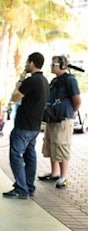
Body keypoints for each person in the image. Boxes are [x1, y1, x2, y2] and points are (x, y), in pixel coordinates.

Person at [2, 52, 49, 199]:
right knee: (30, 156)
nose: (25, 65)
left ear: (32, 63)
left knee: (16, 155)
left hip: (23, 125)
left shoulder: (30, 81)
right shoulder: (45, 81)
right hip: (34, 125)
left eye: (27, 62)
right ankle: (28, 186)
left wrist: (19, 82)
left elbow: (14, 97)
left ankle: (21, 188)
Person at [39, 55, 81, 188]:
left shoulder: (70, 81)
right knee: (52, 146)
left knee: (61, 146)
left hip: (63, 119)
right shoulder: (55, 81)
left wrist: (71, 112)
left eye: (54, 64)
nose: (51, 66)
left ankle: (63, 176)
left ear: (62, 66)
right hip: (52, 118)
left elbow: (77, 100)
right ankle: (55, 173)